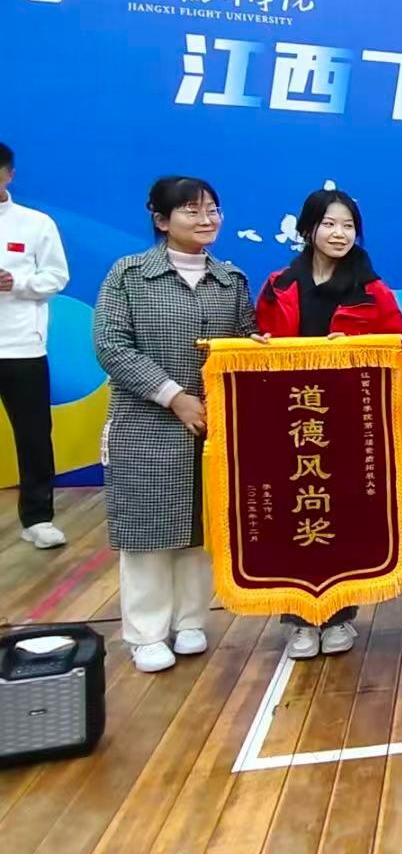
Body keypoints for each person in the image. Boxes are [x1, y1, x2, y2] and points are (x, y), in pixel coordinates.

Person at [94, 178, 260, 673]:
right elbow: (111, 346)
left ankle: (190, 620)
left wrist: (258, 347)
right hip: (146, 423)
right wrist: (174, 396)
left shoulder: (231, 279)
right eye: (191, 210)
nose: (206, 219)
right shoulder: (129, 274)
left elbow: (244, 339)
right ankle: (145, 633)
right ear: (162, 220)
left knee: (200, 527)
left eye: (213, 210)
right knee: (146, 531)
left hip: (213, 425)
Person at [256, 189, 402, 660]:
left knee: (343, 516)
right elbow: (257, 344)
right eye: (329, 224)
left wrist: (356, 350)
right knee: (294, 516)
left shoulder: (374, 292)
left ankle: (340, 614)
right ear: (309, 229)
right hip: (291, 422)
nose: (339, 234)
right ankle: (298, 620)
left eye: (348, 226)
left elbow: (395, 352)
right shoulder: (278, 285)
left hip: (347, 425)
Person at [0, 142, 70, 549]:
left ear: (9, 175)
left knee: (33, 435)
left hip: (21, 346)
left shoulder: (35, 223)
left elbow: (57, 276)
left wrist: (18, 283)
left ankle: (38, 518)